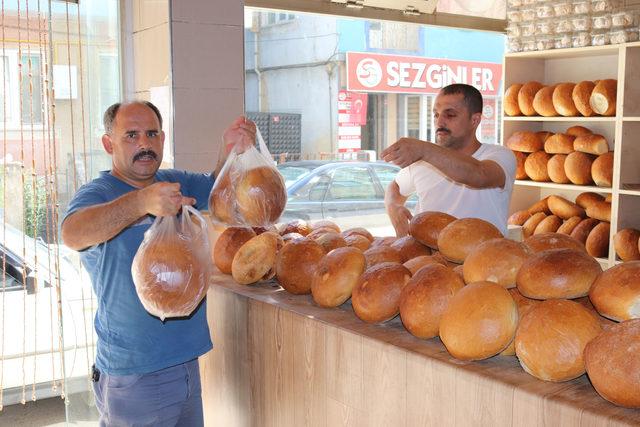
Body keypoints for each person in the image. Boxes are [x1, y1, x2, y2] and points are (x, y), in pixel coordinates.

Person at [61, 101, 256, 426]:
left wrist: (230, 152)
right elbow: (72, 233)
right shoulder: (98, 193)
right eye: (131, 135)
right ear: (109, 143)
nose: (144, 144)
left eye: (151, 134)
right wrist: (141, 202)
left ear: (163, 138)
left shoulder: (172, 181)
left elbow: (218, 190)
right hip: (134, 374)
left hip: (186, 363)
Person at [382, 83, 516, 237]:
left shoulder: (500, 155)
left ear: (475, 120)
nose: (439, 122)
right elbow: (396, 187)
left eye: (450, 115)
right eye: (436, 114)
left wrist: (424, 149)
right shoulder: (425, 160)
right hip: (426, 260)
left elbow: (479, 175)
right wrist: (394, 208)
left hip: (482, 258)